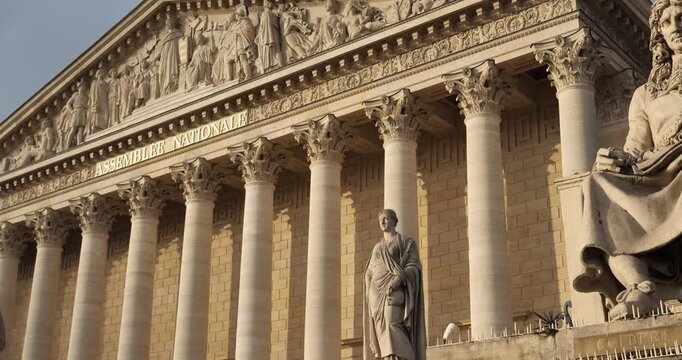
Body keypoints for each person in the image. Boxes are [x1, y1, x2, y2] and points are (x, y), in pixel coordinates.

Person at [575, 0, 682, 320]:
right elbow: (636, 146)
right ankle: (640, 287)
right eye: (667, 22)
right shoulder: (647, 94)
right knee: (597, 181)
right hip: (658, 168)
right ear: (660, 32)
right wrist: (616, 158)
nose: (676, 26)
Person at [364, 209, 426, 360]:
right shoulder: (377, 247)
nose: (382, 222)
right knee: (382, 329)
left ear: (394, 221)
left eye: (386, 218)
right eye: (380, 220)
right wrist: (369, 284)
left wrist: (399, 279)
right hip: (376, 293)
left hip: (395, 288)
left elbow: (413, 265)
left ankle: (405, 356)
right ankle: (388, 357)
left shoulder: (405, 242)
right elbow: (370, 271)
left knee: (393, 322)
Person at [154, 14, 183, 96]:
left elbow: (183, 44)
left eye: (169, 22)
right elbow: (161, 50)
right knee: (164, 72)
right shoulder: (164, 37)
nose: (167, 23)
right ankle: (165, 88)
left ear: (173, 23)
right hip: (164, 58)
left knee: (171, 69)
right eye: (167, 22)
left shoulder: (178, 33)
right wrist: (155, 58)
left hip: (173, 54)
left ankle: (173, 85)